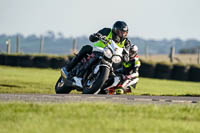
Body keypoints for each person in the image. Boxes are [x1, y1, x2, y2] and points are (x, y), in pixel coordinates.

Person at [61, 21, 131, 78]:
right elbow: (93, 37)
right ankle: (68, 68)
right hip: (98, 50)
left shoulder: (127, 42)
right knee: (86, 48)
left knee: (116, 70)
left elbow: (127, 52)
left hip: (111, 57)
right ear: (115, 30)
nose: (122, 34)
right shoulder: (107, 31)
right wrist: (96, 36)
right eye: (120, 32)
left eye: (124, 33)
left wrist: (126, 56)